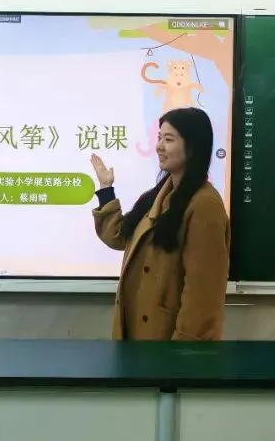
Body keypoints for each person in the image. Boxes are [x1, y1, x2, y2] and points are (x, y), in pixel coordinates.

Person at [90, 106, 230, 341]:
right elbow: (120, 236)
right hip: (138, 335)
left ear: (192, 147)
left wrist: (182, 352)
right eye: (159, 137)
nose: (159, 146)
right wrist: (106, 190)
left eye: (169, 139)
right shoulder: (158, 195)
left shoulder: (205, 205)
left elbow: (202, 292)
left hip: (168, 344)